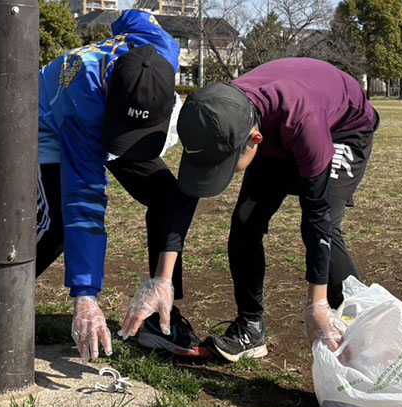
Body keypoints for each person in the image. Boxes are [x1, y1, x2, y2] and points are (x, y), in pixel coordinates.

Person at [0, 10, 208, 364]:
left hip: (114, 114)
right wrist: (86, 296)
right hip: (51, 121)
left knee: (168, 197)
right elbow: (83, 202)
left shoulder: (163, 48)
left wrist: (117, 34)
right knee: (57, 225)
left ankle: (160, 314)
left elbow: (131, 17)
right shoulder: (82, 105)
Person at [118, 57, 379, 362]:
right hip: (277, 128)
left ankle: (365, 334)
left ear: (254, 141)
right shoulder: (217, 113)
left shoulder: (303, 123)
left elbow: (317, 215)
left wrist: (317, 304)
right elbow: (185, 199)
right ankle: (251, 327)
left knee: (326, 228)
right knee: (246, 222)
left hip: (341, 130)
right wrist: (162, 280)